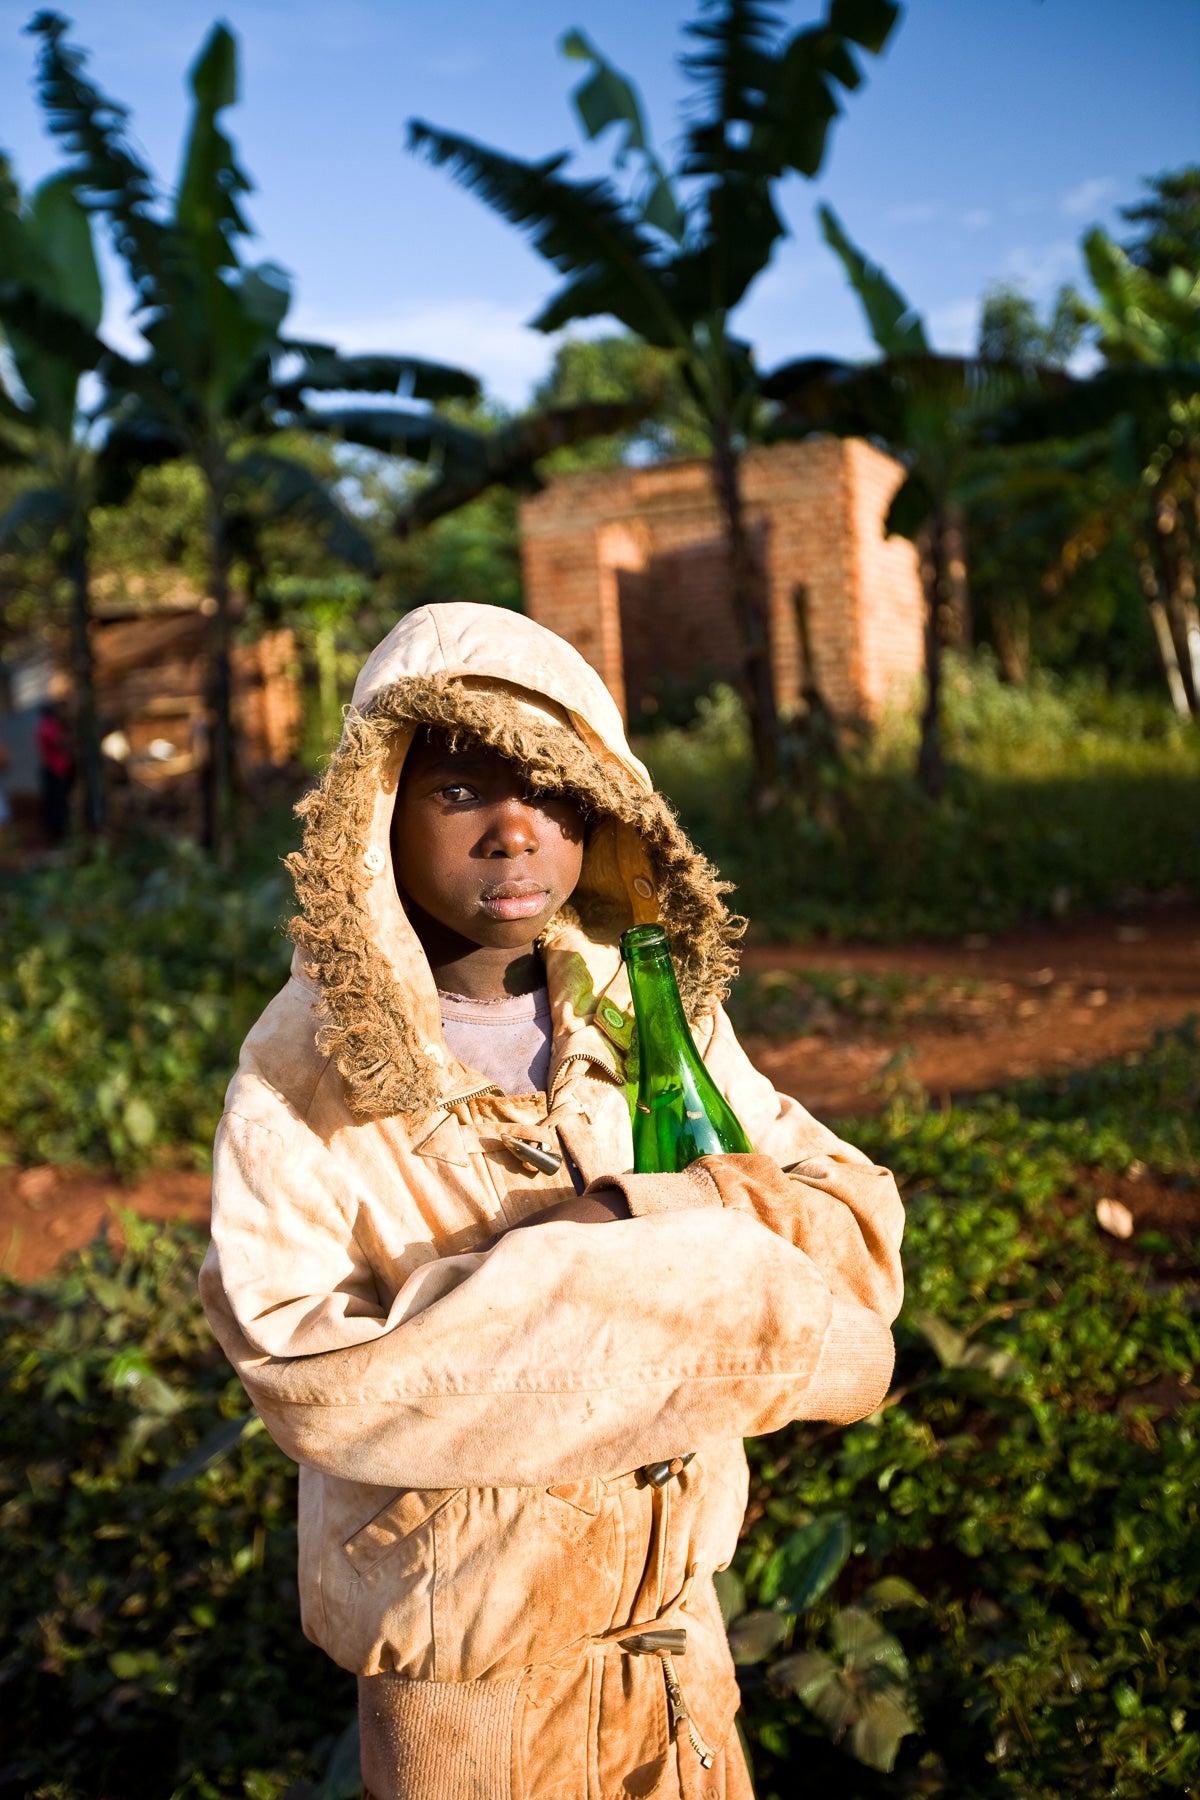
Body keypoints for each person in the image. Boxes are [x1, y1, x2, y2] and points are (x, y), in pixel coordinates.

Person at [200, 602, 905, 1800]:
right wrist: (675, 1264)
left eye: (551, 789)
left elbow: (855, 1240)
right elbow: (317, 1383)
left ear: (605, 807)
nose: (514, 831)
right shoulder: (299, 1074)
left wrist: (620, 1219)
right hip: (465, 1699)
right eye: (462, 792)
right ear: (381, 813)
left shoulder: (650, 1017)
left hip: (679, 1654)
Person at [35, 699, 74, 844]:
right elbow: (59, 743)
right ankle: (60, 835)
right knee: (58, 805)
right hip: (55, 770)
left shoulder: (49, 726)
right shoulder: (48, 727)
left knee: (58, 803)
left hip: (57, 770)